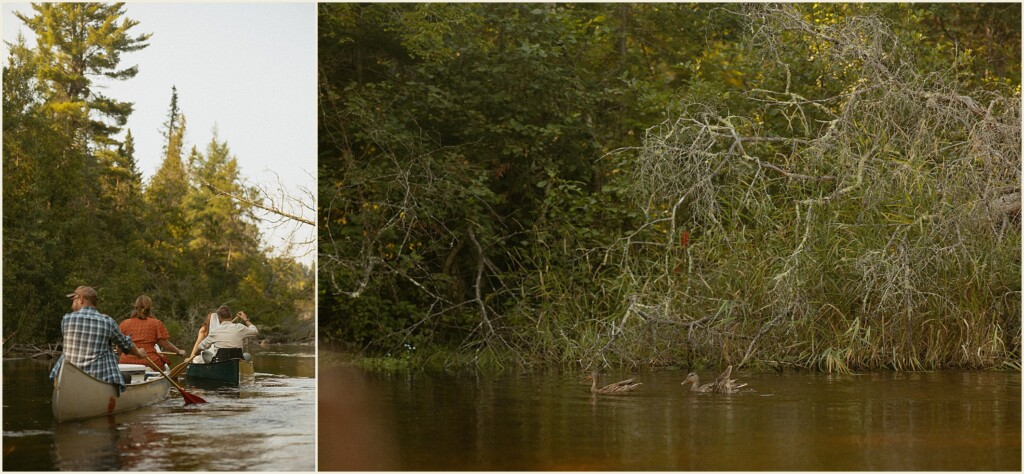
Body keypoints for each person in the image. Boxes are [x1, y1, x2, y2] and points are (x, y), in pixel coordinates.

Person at [49, 286, 152, 393]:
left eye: (73, 299)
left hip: (69, 378)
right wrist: (139, 354)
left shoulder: (66, 320)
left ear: (81, 299)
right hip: (99, 378)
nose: (71, 305)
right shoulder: (107, 321)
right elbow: (126, 345)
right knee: (126, 378)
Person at [118, 295, 186, 368]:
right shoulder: (156, 323)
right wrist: (178, 351)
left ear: (135, 307)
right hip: (150, 362)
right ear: (150, 308)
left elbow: (119, 347)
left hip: (126, 362)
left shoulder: (124, 323)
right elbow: (165, 344)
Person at [192, 306, 258, 364]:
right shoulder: (240, 327)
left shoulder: (214, 331)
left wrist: (196, 353)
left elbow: (201, 346)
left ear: (219, 318)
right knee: (247, 355)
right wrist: (245, 320)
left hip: (221, 362)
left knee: (204, 353)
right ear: (231, 315)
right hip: (236, 361)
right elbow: (255, 331)